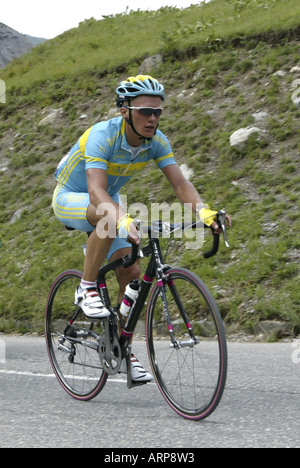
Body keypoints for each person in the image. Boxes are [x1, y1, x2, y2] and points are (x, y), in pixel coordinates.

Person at [52, 74, 231, 382]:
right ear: (125, 111)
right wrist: (121, 218)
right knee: (109, 218)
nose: (152, 118)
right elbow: (96, 190)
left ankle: (122, 349)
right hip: (72, 196)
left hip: (109, 199)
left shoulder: (156, 141)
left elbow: (180, 184)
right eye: (144, 112)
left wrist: (204, 212)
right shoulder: (102, 136)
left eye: (157, 112)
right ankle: (86, 286)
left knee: (131, 272)